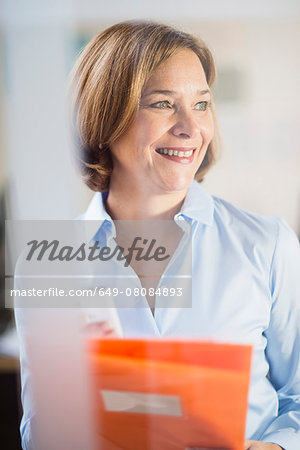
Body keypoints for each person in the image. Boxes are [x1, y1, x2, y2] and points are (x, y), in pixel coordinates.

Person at [16, 20, 300, 449]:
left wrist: (271, 449)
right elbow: (37, 435)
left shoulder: (267, 244)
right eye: (163, 104)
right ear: (106, 116)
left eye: (202, 104)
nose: (191, 127)